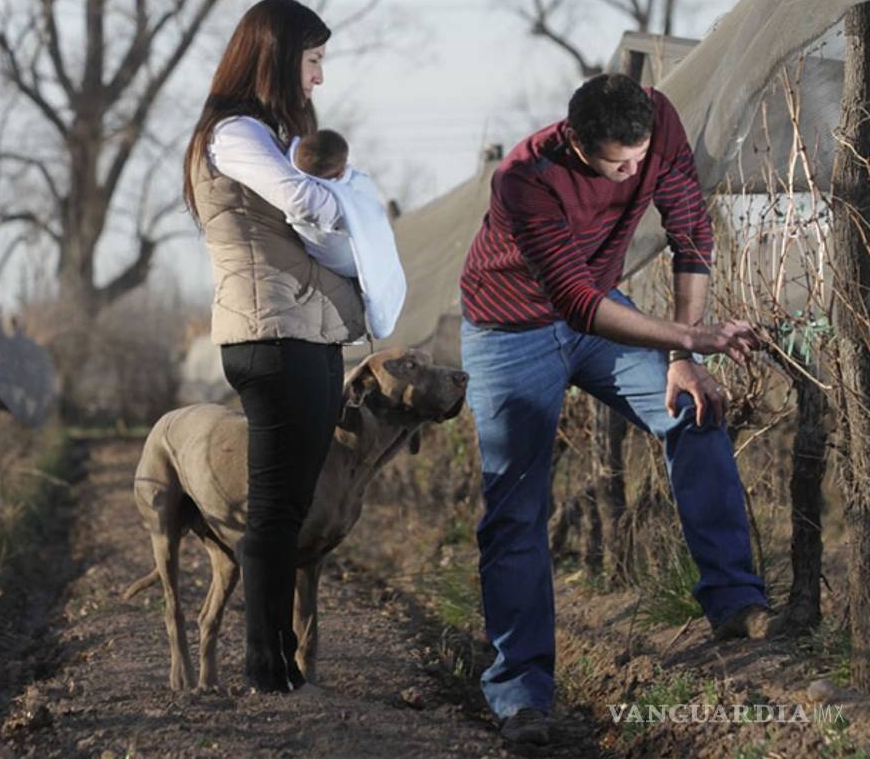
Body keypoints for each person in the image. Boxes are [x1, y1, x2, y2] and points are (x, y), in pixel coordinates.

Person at [458, 73, 772, 745]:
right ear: (576, 143)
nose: (633, 174)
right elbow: (573, 299)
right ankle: (521, 696)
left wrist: (686, 360)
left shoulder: (657, 121)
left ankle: (734, 601)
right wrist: (688, 336)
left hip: (600, 318)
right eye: (617, 165)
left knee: (695, 409)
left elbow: (690, 232)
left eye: (639, 160)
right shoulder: (525, 176)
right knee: (515, 506)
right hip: (510, 330)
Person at [181, 0, 364, 693]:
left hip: (301, 329)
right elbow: (305, 202)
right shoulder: (236, 134)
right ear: (279, 59)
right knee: (277, 506)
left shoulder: (261, 135)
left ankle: (277, 655)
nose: (318, 79)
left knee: (285, 505)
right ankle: (266, 665)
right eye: (312, 61)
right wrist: (356, 214)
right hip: (270, 333)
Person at [286, 129, 408, 339]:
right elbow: (370, 216)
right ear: (341, 171)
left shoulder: (291, 183)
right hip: (342, 264)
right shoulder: (341, 195)